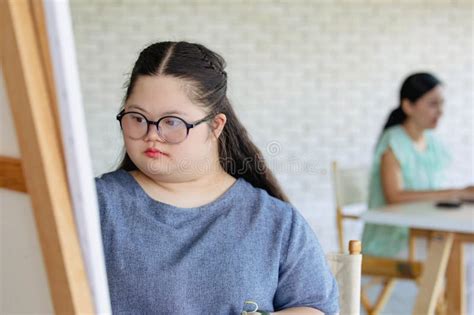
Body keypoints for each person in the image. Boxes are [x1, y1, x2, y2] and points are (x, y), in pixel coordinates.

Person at [95, 41, 339, 314]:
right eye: (138, 118)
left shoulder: (274, 220)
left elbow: (315, 306)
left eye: (172, 122)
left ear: (215, 126)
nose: (153, 135)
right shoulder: (96, 206)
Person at [362, 72, 474, 257]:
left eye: (442, 103)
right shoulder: (393, 141)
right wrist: (457, 192)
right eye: (432, 104)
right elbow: (395, 197)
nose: (440, 111)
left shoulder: (433, 143)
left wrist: (463, 195)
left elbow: (431, 192)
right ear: (408, 106)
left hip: (425, 231)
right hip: (393, 241)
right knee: (461, 254)